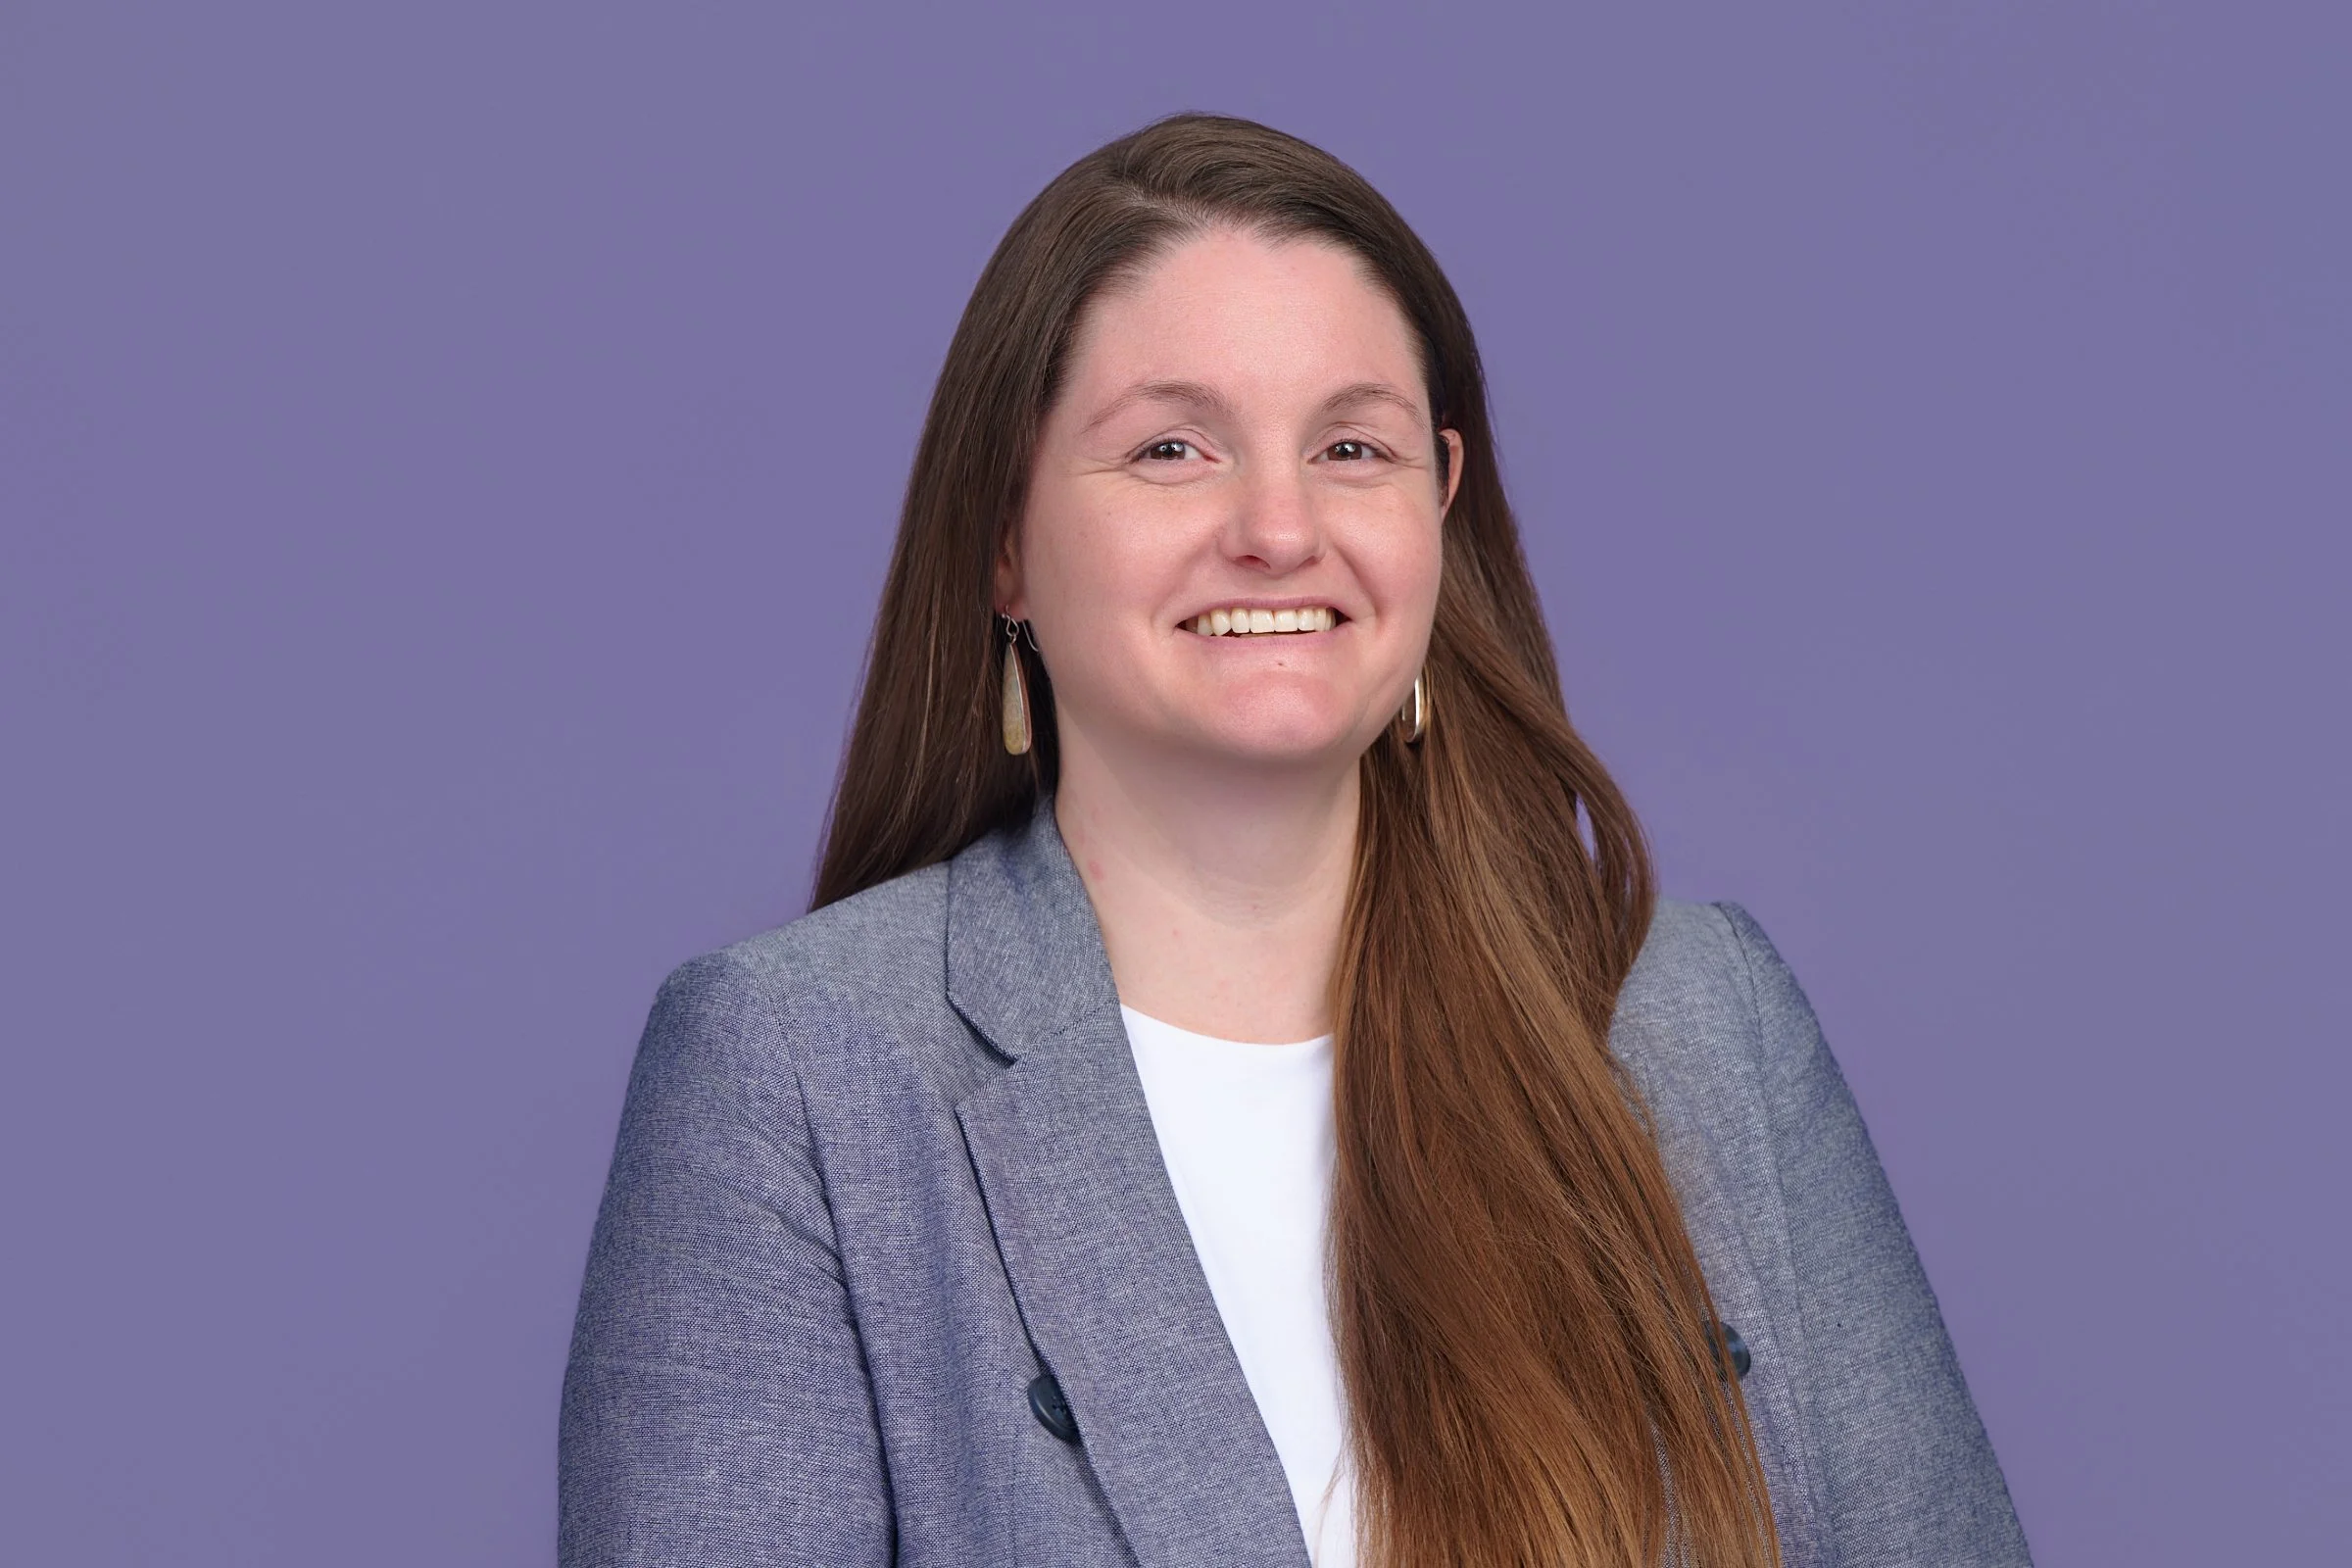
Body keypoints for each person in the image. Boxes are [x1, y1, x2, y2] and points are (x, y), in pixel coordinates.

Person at [559, 114, 2031, 1568]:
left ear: (1439, 511)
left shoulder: (1699, 1016)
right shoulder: (799, 1071)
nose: (1279, 526)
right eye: (1174, 448)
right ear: (1003, 536)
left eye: (1351, 445)